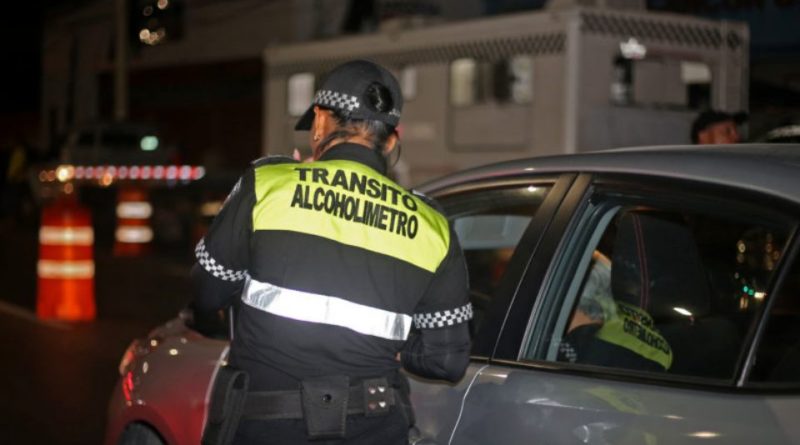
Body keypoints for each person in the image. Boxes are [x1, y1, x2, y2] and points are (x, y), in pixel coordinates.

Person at [192, 60, 472, 445]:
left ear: (321, 122)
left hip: (268, 427)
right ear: (391, 140)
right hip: (373, 429)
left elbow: (206, 295)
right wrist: (395, 352)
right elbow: (447, 360)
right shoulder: (432, 225)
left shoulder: (269, 185)